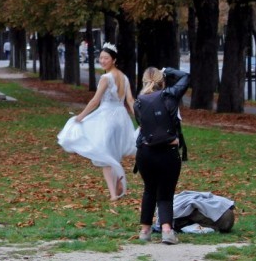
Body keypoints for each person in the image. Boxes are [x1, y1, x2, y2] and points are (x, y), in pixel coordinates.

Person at [57, 43, 136, 201]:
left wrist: (81, 116)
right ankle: (118, 182)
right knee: (113, 153)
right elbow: (130, 101)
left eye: (106, 58)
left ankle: (113, 193)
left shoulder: (106, 78)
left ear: (113, 60)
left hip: (107, 116)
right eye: (100, 57)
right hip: (121, 117)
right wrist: (139, 118)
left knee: (104, 155)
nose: (102, 60)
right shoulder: (124, 77)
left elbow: (95, 101)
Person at [135, 67, 190, 244]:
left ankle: (145, 231)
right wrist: (168, 70)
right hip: (168, 151)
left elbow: (142, 126)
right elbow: (185, 77)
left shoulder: (139, 102)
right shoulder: (170, 96)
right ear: (163, 81)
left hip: (145, 153)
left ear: (144, 82)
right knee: (166, 193)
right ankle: (167, 230)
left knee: (149, 190)